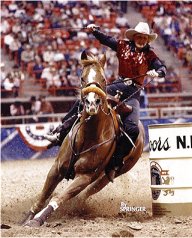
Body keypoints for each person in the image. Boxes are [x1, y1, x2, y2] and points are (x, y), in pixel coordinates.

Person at [45, 22, 167, 182]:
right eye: (139, 36)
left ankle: (114, 163)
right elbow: (106, 39)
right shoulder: (122, 45)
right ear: (134, 37)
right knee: (86, 96)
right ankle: (61, 133)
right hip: (118, 84)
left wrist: (157, 73)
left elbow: (162, 68)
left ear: (147, 40)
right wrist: (94, 31)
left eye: (145, 38)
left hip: (133, 92)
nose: (142, 40)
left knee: (132, 129)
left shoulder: (150, 55)